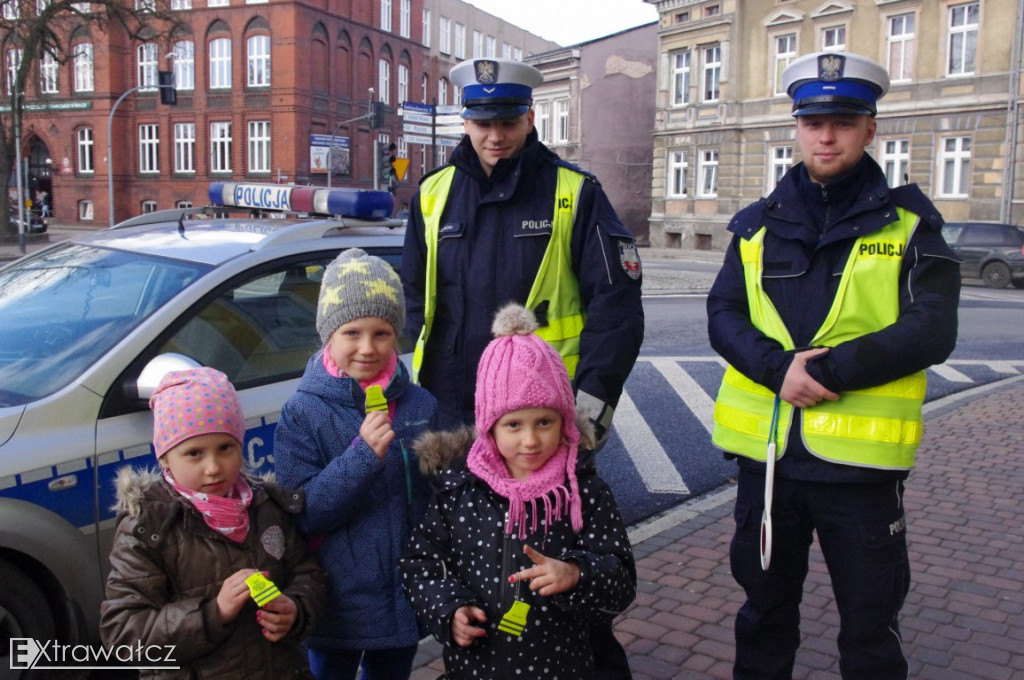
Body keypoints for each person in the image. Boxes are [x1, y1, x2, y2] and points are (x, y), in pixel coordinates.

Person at [706, 51, 961, 680]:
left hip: (861, 475)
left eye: (844, 121)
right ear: (795, 127)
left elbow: (934, 326)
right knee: (763, 619)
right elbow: (723, 314)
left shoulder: (910, 226)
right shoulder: (755, 225)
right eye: (813, 121)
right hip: (769, 464)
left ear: (870, 128)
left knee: (871, 633)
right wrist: (775, 370)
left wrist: (828, 372)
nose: (827, 135)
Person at [401, 57, 644, 445]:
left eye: (508, 122)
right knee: (448, 508)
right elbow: (414, 297)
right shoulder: (432, 194)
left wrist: (589, 414)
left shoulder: (576, 192)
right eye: (482, 123)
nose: (495, 136)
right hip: (448, 411)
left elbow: (617, 310)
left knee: (537, 510)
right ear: (465, 123)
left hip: (539, 417)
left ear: (530, 119)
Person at [401, 303, 636, 680]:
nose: (530, 440)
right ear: (490, 427)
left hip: (564, 668)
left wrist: (577, 573)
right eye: (513, 424)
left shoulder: (582, 489)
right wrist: (448, 611)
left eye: (545, 421)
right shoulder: (460, 489)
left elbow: (621, 579)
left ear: (564, 419)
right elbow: (422, 564)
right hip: (476, 668)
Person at [274, 248, 438, 680]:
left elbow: (438, 499)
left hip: (404, 593)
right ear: (329, 334)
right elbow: (303, 512)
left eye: (382, 333)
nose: (368, 349)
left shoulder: (420, 405)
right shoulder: (303, 412)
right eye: (352, 332)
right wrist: (361, 458)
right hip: (337, 601)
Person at [100, 367, 326, 679]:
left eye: (225, 448)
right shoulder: (148, 527)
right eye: (193, 453)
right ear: (165, 457)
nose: (213, 467)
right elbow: (123, 632)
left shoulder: (266, 505)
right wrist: (211, 614)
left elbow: (307, 572)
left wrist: (296, 609)